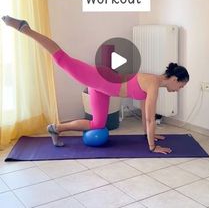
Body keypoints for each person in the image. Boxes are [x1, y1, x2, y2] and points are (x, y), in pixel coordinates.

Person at [2, 15, 189, 154]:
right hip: (101, 79)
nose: (178, 90)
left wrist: (149, 134)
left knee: (98, 123)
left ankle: (55, 128)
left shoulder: (152, 83)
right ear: (174, 79)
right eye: (181, 86)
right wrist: (152, 147)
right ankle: (25, 28)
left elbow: (144, 117)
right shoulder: (154, 84)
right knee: (62, 59)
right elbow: (150, 119)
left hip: (103, 89)